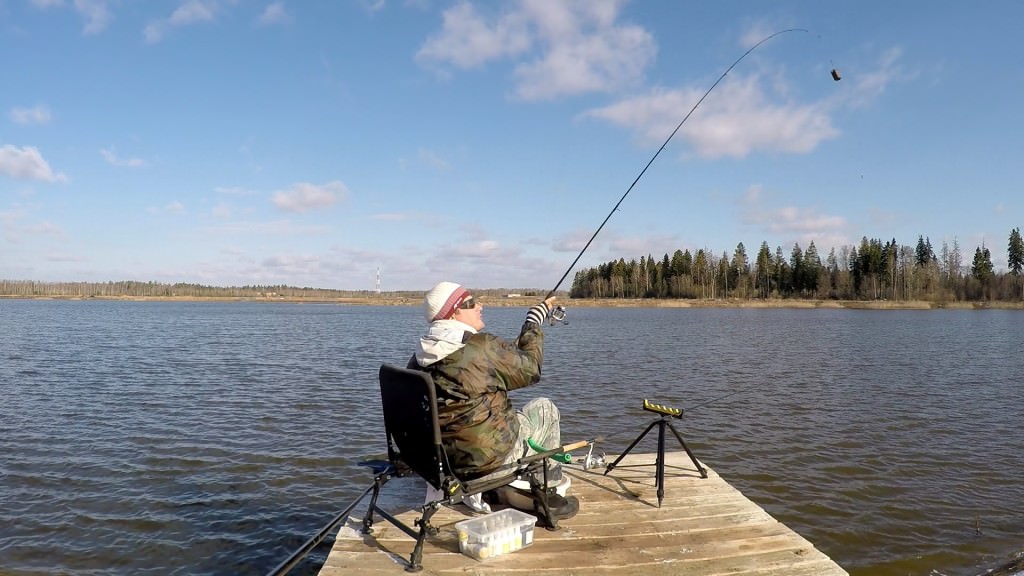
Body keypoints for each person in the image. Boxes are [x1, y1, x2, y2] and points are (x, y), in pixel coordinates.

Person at [411, 281, 575, 516]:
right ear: (454, 312)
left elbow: (497, 357)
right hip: (488, 463)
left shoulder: (422, 354)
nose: (480, 305)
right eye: (471, 302)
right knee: (544, 408)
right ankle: (547, 491)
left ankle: (503, 488)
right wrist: (532, 323)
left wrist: (534, 317)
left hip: (444, 464)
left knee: (511, 416)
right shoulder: (481, 347)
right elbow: (530, 368)